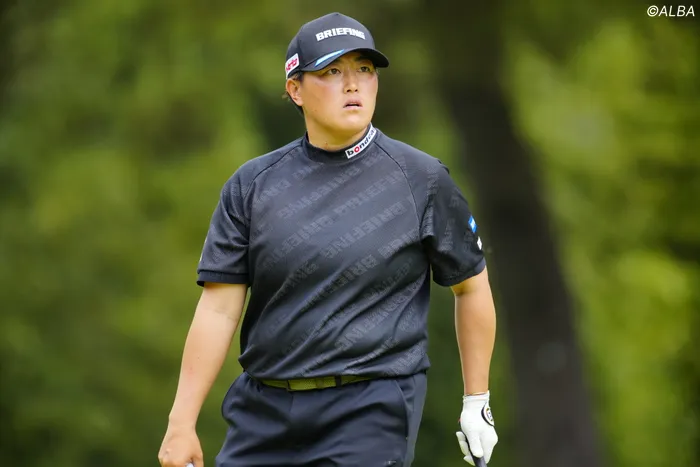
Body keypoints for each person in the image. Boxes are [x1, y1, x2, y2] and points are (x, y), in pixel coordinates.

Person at [158, 11, 498, 467]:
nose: (352, 83)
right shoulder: (252, 185)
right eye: (332, 71)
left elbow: (471, 286)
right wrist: (181, 422)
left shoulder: (421, 179)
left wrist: (477, 401)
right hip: (263, 410)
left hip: (370, 408)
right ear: (295, 90)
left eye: (364, 69)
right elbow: (218, 309)